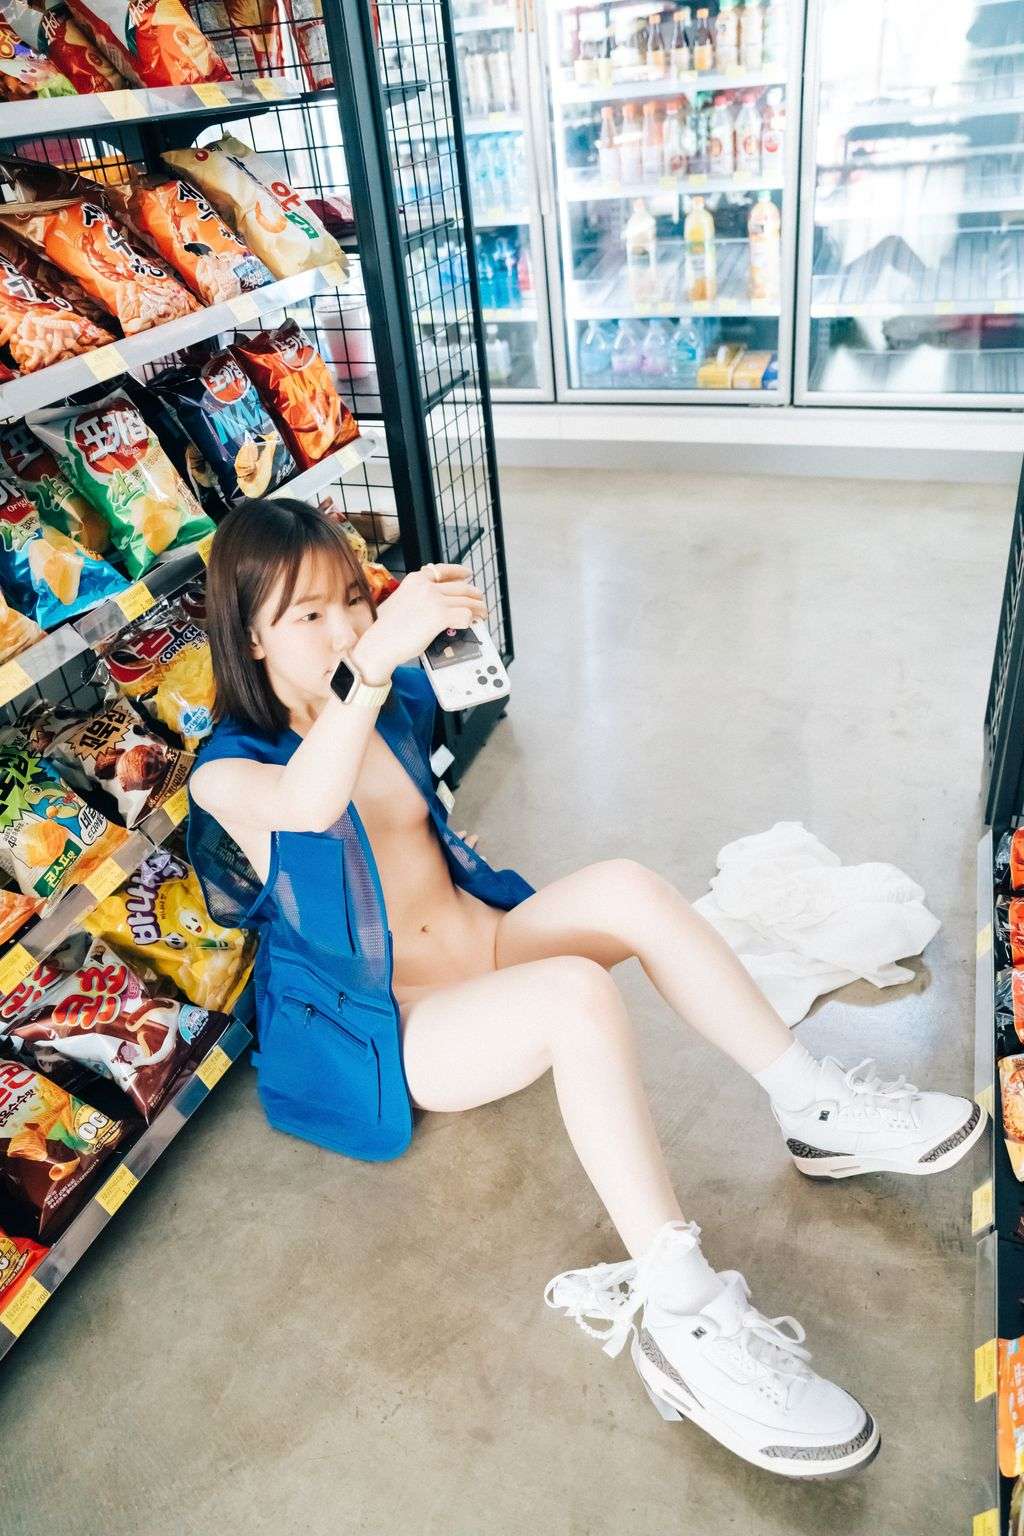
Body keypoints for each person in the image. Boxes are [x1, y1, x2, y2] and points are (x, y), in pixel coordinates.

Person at [188, 498, 985, 1482]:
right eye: (309, 615)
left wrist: (422, 647)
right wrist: (375, 662)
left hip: (486, 944)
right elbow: (308, 807)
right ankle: (682, 1311)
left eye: (353, 599)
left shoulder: (384, 701)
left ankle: (811, 1104)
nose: (346, 628)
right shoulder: (229, 773)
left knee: (631, 888)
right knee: (573, 995)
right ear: (249, 636)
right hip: (401, 1025)